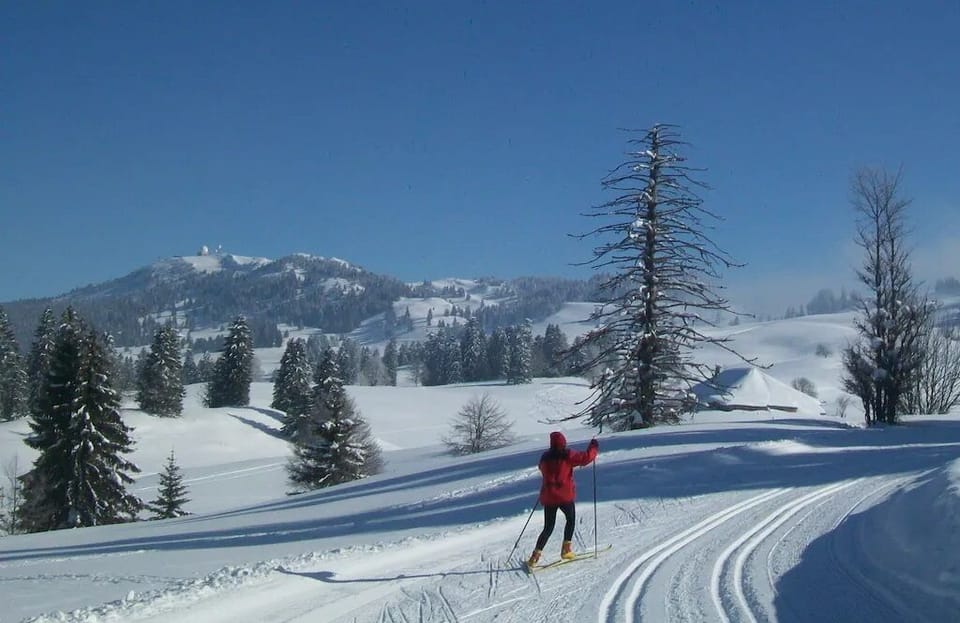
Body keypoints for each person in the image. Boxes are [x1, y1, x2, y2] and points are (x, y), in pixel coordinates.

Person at [527, 431, 599, 568]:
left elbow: (541, 468)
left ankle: (534, 557)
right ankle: (566, 550)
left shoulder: (544, 457)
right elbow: (586, 458)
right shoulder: (567, 455)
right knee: (570, 519)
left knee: (548, 527)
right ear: (563, 442)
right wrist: (594, 446)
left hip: (549, 495)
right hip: (564, 495)